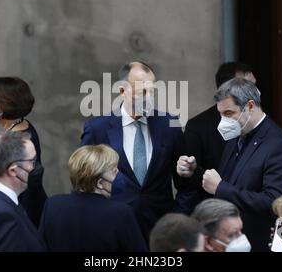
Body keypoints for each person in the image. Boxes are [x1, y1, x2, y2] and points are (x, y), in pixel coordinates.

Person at [177, 78, 282, 251]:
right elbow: (229, 179)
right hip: (232, 240)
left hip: (262, 242)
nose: (223, 121)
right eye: (220, 114)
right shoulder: (237, 136)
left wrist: (221, 188)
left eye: (228, 113)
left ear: (250, 106)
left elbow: (275, 203)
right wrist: (194, 172)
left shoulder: (279, 145)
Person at [80, 61, 196, 241]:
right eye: (142, 92)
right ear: (122, 91)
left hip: (161, 232)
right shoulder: (97, 129)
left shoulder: (169, 125)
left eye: (152, 92)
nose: (149, 98)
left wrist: (178, 218)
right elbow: (84, 182)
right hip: (113, 229)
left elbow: (186, 182)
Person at [39, 145, 147, 252]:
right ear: (100, 183)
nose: (119, 175)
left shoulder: (53, 204)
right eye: (114, 172)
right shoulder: (120, 213)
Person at [184, 62, 256, 202]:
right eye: (249, 87)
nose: (256, 93)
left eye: (255, 87)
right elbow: (188, 187)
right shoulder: (198, 127)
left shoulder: (261, 126)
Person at [0, 77, 47, 227]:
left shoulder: (17, 142)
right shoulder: (22, 125)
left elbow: (25, 184)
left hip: (23, 211)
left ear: (4, 104)